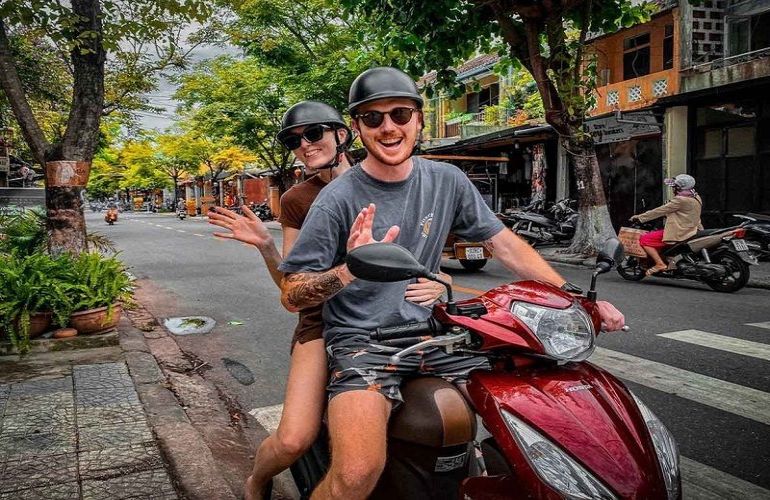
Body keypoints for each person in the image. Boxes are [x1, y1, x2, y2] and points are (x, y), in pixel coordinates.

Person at [277, 67, 626, 499]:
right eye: (373, 118)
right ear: (357, 129)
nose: (388, 127)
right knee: (356, 474)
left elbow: (503, 244)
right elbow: (293, 293)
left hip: (440, 334)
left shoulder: (446, 180)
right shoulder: (336, 198)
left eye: (400, 114)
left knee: (543, 422)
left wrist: (571, 296)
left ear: (419, 121)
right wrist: (350, 269)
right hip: (364, 342)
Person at [206, 100, 448, 500]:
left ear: (342, 134)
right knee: (293, 439)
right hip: (326, 324)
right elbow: (292, 289)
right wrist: (268, 247)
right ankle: (257, 480)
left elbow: (427, 261)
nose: (304, 145)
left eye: (313, 133)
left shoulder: (402, 180)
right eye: (294, 140)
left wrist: (439, 283)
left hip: (400, 322)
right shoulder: (299, 199)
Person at [631, 174, 703, 276]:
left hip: (680, 232)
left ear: (678, 188)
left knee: (645, 239)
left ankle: (660, 264)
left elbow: (659, 211)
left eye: (674, 187)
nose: (673, 189)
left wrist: (640, 217)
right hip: (692, 230)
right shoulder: (695, 196)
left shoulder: (680, 200)